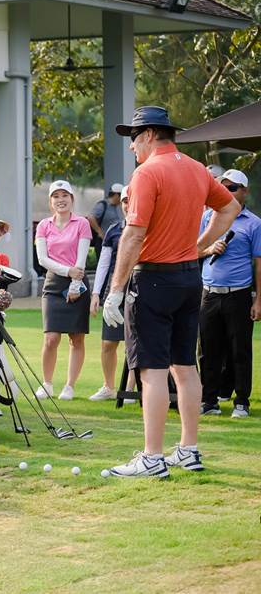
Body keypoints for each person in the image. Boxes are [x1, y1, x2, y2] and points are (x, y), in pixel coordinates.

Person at [103, 105, 238, 478]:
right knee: (184, 366)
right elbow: (230, 208)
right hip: (189, 279)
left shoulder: (147, 173)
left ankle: (151, 457)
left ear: (148, 135)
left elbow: (133, 234)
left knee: (151, 370)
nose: (131, 146)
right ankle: (188, 450)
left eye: (133, 137)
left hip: (154, 280)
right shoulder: (196, 169)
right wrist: (198, 245)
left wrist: (115, 290)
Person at [197, 169, 261, 418]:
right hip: (209, 293)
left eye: (233, 188)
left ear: (245, 191)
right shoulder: (207, 217)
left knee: (240, 350)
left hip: (239, 294)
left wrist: (259, 301)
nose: (227, 192)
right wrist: (209, 248)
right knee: (207, 350)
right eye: (223, 187)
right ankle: (209, 400)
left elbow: (259, 264)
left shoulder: (253, 223)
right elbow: (194, 249)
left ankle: (241, 401)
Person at [34, 180, 91, 401]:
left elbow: (82, 258)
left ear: (72, 198)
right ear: (51, 201)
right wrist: (68, 272)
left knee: (76, 338)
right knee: (51, 338)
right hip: (53, 283)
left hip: (78, 282)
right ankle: (47, 384)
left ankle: (69, 386)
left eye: (64, 195)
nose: (61, 200)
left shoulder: (82, 224)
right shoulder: (43, 226)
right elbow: (42, 259)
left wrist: (75, 283)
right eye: (56, 196)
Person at [88, 184, 132, 401]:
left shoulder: (150, 228)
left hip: (140, 292)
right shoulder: (114, 229)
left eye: (131, 200)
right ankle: (108, 387)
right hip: (113, 292)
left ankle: (131, 389)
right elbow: (103, 265)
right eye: (124, 201)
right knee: (108, 343)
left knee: (136, 344)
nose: (127, 204)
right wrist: (96, 294)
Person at [88, 183, 124, 256]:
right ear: (117, 195)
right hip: (103, 242)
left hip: (115, 242)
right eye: (121, 196)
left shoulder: (118, 206)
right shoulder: (103, 205)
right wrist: (100, 232)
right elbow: (91, 217)